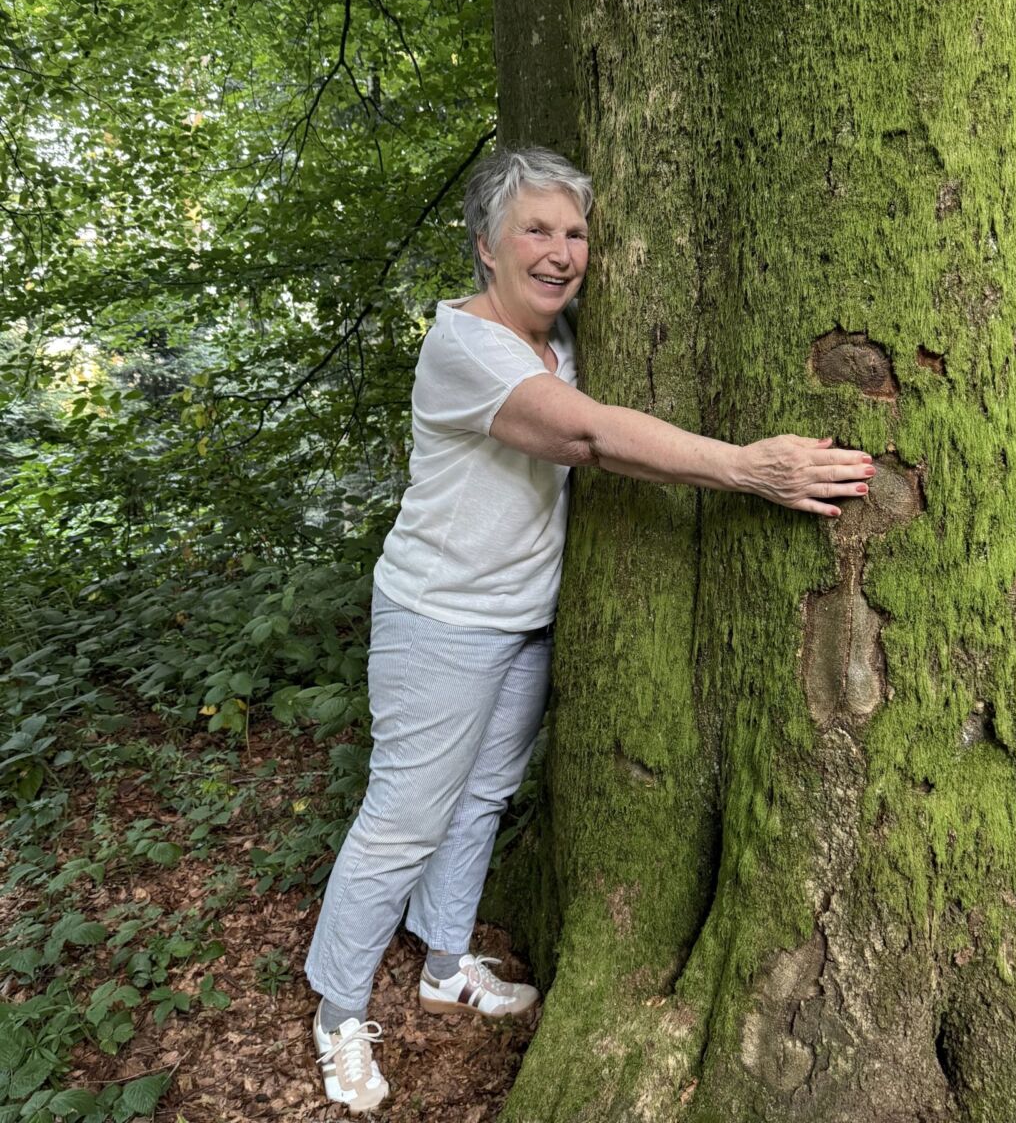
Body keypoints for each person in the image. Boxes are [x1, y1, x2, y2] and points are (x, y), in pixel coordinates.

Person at [305, 147, 877, 1112]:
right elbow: (586, 436)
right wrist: (750, 468)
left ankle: (445, 965)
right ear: (486, 245)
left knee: (483, 796)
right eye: (536, 229)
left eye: (575, 233)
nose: (561, 252)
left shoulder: (559, 339)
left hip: (524, 616)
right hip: (439, 620)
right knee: (404, 819)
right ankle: (335, 1013)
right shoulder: (465, 348)